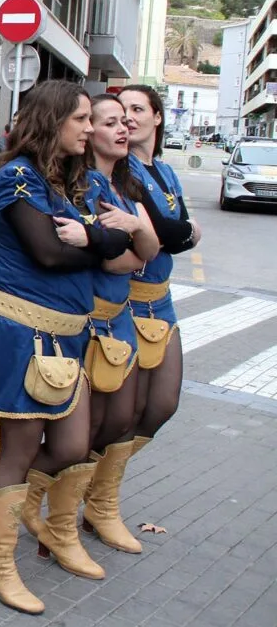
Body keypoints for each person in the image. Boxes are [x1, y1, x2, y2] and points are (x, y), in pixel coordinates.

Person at [0, 80, 130, 615]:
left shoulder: (68, 181)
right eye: (80, 119)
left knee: (74, 445)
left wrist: (92, 236)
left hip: (69, 335)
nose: (90, 127)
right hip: (24, 332)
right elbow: (50, 254)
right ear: (52, 120)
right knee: (20, 450)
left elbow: (126, 239)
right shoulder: (19, 177)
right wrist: (97, 241)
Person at [98, 85, 201, 552]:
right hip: (129, 301)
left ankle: (94, 494)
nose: (129, 120)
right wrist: (177, 231)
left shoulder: (165, 170)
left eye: (138, 111)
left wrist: (176, 231)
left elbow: (175, 230)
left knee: (162, 406)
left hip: (163, 300)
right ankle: (97, 503)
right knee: (124, 414)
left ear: (158, 117)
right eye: (121, 114)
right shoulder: (122, 173)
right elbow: (175, 233)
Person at [80, 94, 161, 555]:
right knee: (83, 429)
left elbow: (150, 247)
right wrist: (136, 235)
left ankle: (91, 507)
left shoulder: (124, 183)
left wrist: (135, 228)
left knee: (121, 419)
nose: (123, 127)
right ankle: (3, 504)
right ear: (89, 131)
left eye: (125, 121)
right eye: (110, 122)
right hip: (92, 320)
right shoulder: (88, 185)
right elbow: (116, 259)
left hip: (121, 319)